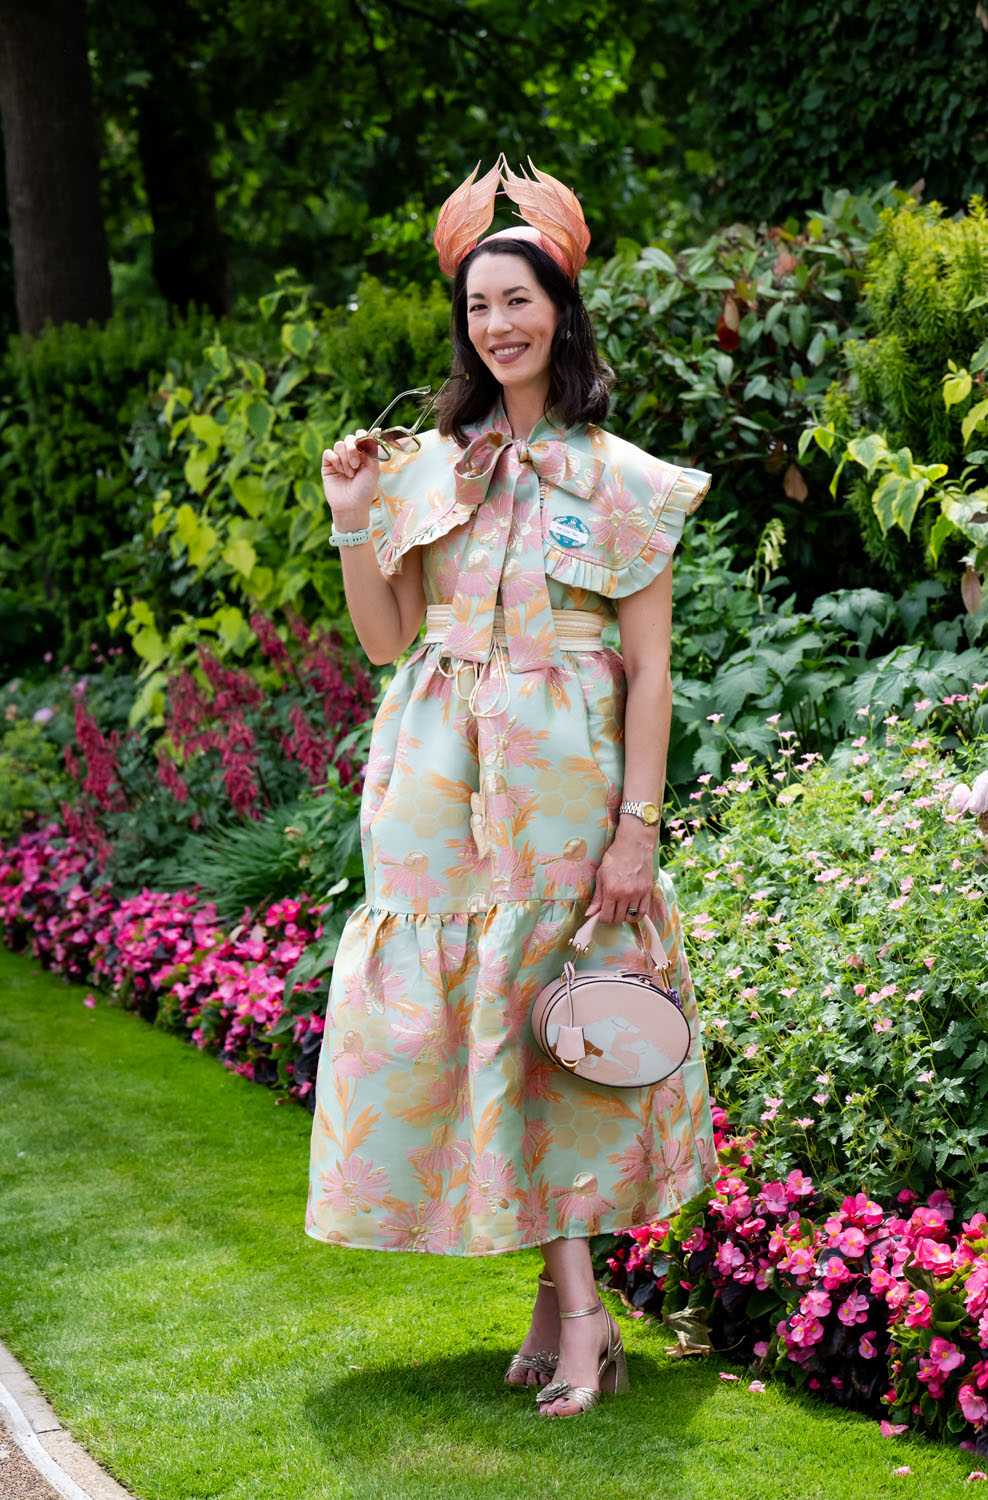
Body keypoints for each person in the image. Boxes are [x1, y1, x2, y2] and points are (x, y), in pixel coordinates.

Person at [307, 156, 718, 1418]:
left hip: (566, 780)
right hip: (432, 780)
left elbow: (648, 672)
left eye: (519, 300)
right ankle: (566, 1306)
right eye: (479, 306)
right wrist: (345, 515)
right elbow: (385, 641)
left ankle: (579, 1315)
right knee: (481, 1010)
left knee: (559, 1022)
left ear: (561, 309)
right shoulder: (424, 467)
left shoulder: (627, 480)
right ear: (464, 324)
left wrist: (637, 827)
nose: (499, 324)